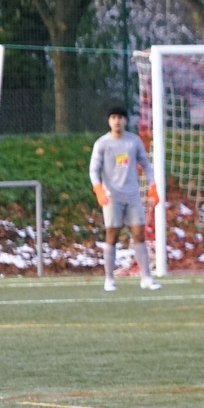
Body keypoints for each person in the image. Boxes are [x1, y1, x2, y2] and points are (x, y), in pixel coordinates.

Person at [89, 105, 161, 291]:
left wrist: (153, 186)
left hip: (132, 195)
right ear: (109, 121)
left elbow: (146, 165)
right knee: (112, 234)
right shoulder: (102, 143)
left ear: (125, 121)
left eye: (120, 117)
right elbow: (94, 169)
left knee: (139, 233)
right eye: (113, 117)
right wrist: (98, 188)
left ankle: (146, 278)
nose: (117, 121)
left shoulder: (133, 141)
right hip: (112, 196)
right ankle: (109, 279)